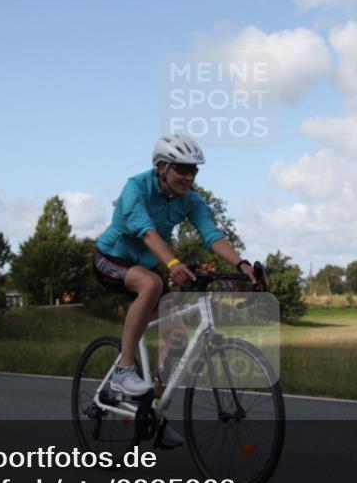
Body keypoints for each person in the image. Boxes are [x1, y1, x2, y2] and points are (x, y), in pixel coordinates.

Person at [92, 135, 259, 435]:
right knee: (151, 284)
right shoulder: (136, 189)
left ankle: (152, 411)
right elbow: (146, 232)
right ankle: (123, 370)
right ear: (161, 167)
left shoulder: (190, 200)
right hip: (111, 258)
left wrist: (241, 264)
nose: (189, 177)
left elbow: (212, 235)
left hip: (146, 265)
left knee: (178, 340)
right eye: (182, 169)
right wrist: (172, 263)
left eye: (194, 170)